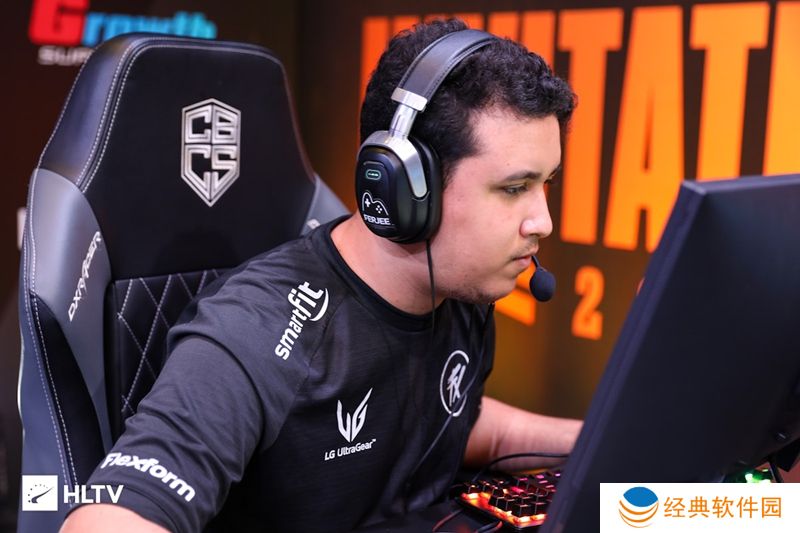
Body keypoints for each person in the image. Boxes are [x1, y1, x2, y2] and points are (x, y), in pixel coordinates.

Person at [62, 18, 581, 533]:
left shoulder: (461, 296)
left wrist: (594, 441)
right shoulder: (258, 333)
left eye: (546, 185)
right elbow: (104, 521)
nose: (543, 222)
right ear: (404, 186)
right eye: (514, 188)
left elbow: (450, 417)